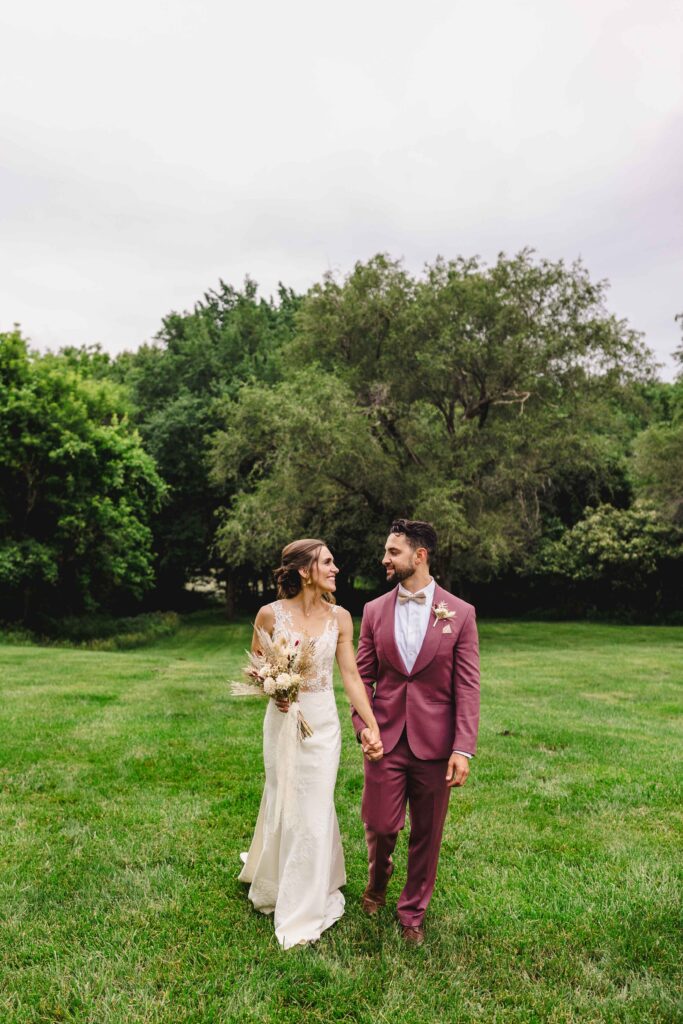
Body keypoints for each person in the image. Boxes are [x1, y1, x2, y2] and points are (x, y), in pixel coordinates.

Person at [239, 538, 383, 949]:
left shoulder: (340, 617)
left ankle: (303, 906)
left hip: (323, 725)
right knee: (283, 795)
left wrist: (371, 726)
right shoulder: (269, 614)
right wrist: (274, 688)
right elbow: (255, 665)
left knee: (316, 805)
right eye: (328, 562)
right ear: (305, 571)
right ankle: (276, 876)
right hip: (283, 722)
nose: (336, 568)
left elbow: (351, 677)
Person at [351, 518, 480, 946]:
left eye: (393, 552)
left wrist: (462, 747)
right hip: (384, 740)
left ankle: (412, 914)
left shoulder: (460, 613)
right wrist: (363, 728)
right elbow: (361, 679)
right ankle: (377, 883)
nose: (384, 559)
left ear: (419, 556)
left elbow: (467, 685)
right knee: (381, 824)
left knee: (428, 832)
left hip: (436, 745)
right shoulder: (372, 612)